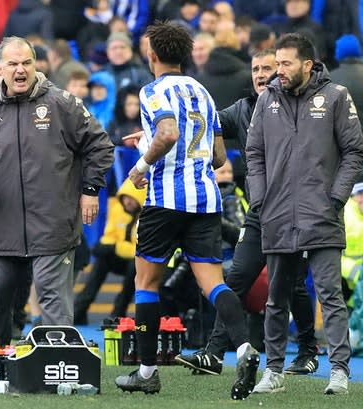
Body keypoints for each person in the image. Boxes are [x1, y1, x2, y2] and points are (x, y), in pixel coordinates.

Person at [113, 22, 260, 400]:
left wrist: (141, 166)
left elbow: (167, 134)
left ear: (153, 56)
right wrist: (155, 144)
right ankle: (244, 348)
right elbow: (218, 156)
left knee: (146, 283)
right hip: (205, 200)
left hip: (165, 201)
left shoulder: (152, 90)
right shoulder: (203, 93)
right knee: (213, 283)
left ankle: (146, 372)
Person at [0, 36, 114, 383]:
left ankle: (59, 367)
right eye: (13, 64)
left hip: (53, 223)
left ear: (36, 65)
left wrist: (90, 190)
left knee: (53, 300)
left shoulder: (61, 102)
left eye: (27, 63)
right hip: (3, 221)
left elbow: (100, 146)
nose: (20, 70)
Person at [176, 48, 319, 377]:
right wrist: (161, 135)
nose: (259, 74)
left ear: (281, 71)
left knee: (292, 284)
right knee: (236, 279)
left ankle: (309, 350)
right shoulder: (242, 110)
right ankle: (214, 353)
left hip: (292, 212)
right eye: (255, 68)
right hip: (258, 214)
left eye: (266, 68)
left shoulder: (295, 106)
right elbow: (204, 125)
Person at [246, 33, 363, 395]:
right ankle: (274, 370)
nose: (277, 71)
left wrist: (336, 197)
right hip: (277, 213)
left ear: (307, 65)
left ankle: (340, 371)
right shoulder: (267, 100)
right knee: (276, 297)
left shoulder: (336, 97)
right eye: (276, 63)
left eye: (285, 63)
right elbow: (254, 153)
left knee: (330, 295)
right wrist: (261, 198)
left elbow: (355, 152)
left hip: (321, 212)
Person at [74, 179, 146, 325]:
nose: (127, 203)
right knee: (101, 259)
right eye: (125, 198)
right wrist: (115, 247)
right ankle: (79, 310)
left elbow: (141, 248)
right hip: (120, 258)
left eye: (132, 200)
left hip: (136, 262)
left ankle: (118, 312)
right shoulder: (117, 208)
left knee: (136, 266)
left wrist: (117, 247)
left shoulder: (146, 216)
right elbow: (109, 236)